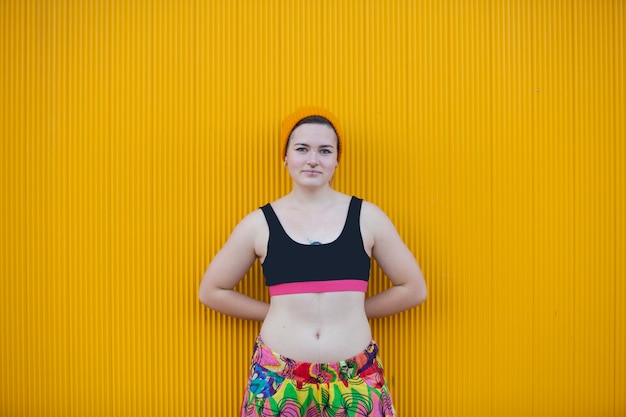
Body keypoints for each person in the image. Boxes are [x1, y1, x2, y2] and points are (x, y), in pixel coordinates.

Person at [198, 106, 427, 417]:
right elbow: (212, 291)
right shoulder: (259, 224)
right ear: (285, 156)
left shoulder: (367, 218)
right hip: (279, 380)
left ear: (336, 160)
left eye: (325, 150)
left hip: (355, 379)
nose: (313, 159)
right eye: (302, 148)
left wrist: (353, 309)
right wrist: (276, 311)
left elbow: (413, 288)